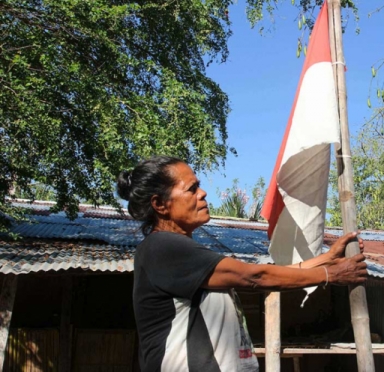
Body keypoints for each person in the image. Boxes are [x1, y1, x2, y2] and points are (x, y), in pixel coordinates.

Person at [116, 155, 368, 372]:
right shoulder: (162, 248)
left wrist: (327, 259)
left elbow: (264, 275)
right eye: (191, 189)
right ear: (160, 204)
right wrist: (329, 275)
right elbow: (255, 277)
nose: (202, 193)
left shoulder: (183, 253)